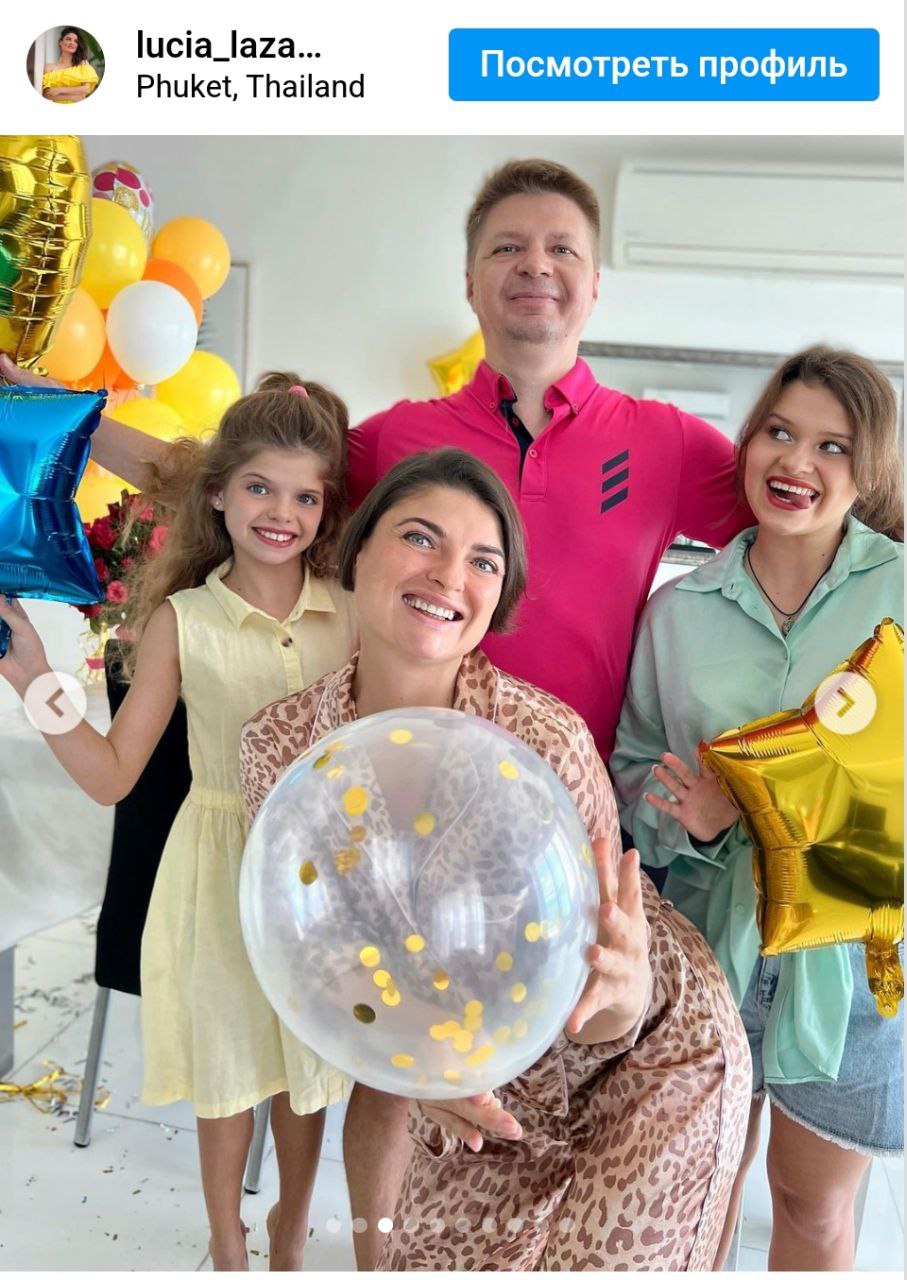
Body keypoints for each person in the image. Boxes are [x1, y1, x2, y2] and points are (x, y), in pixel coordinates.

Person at [0, 156, 752, 1266]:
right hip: (392, 810)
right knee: (385, 1081)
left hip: (564, 812)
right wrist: (41, 409)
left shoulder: (667, 441)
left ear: (596, 284)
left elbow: (808, 512)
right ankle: (370, 1253)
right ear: (469, 276)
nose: (535, 267)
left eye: (562, 250)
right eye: (506, 246)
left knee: (582, 1082)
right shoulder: (400, 439)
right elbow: (228, 472)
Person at [239, 447, 752, 1271]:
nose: (449, 575)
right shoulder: (283, 745)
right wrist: (425, 1075)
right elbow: (326, 964)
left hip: (645, 1063)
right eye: (419, 537)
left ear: (496, 600)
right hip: (472, 1068)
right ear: (354, 554)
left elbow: (608, 1004)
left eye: (483, 561)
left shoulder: (543, 741)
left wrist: (620, 998)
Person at [0, 373, 358, 1271]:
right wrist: (31, 673)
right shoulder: (181, 623)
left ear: (326, 509)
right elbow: (112, 775)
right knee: (227, 1065)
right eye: (260, 487)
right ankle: (226, 1241)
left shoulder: (350, 613)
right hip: (217, 870)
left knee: (308, 1068)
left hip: (317, 877)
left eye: (305, 496)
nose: (281, 513)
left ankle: (289, 1229)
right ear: (217, 493)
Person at [611, 347, 904, 1270]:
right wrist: (688, 821)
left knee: (810, 1210)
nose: (796, 462)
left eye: (831, 446)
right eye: (778, 432)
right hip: (707, 944)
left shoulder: (899, 591)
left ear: (869, 469)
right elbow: (632, 766)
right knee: (696, 1193)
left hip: (853, 957)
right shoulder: (679, 612)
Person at [41, 28, 99, 103]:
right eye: (68, 39)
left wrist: (59, 90)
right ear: (60, 42)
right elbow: (46, 94)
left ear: (77, 46)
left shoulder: (83, 64)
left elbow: (86, 89)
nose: (72, 43)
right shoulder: (49, 67)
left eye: (76, 41)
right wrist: (72, 96)